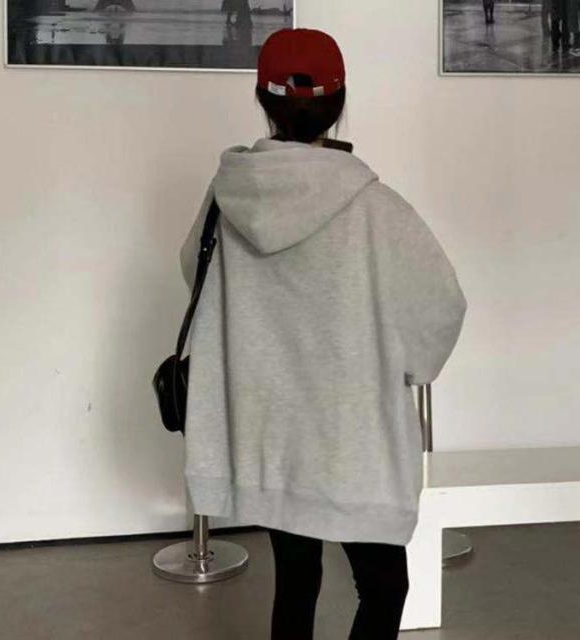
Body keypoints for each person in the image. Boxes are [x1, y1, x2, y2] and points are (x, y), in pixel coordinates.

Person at [178, 28, 467, 640]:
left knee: (296, 577)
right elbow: (440, 307)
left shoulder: (227, 197)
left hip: (269, 426)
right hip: (352, 435)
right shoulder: (376, 208)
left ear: (263, 99)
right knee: (384, 586)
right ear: (339, 103)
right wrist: (410, 363)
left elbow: (195, 277)